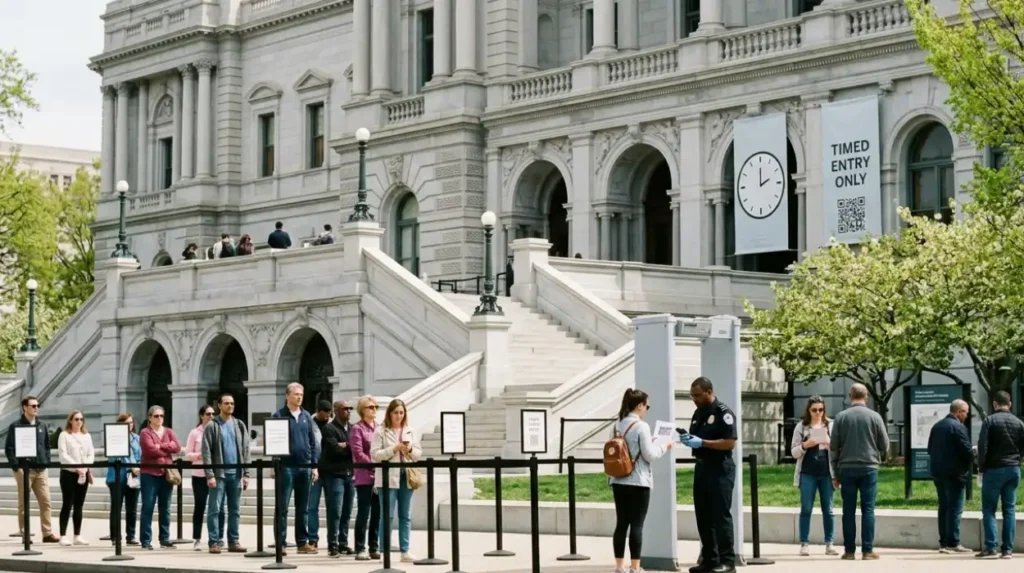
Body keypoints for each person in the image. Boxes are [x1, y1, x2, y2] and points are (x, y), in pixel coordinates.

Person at [609, 389, 672, 573]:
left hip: (618, 480)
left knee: (621, 523)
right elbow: (649, 455)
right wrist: (664, 446)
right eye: (647, 405)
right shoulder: (641, 426)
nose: (647, 409)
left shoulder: (617, 424)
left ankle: (619, 566)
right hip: (638, 481)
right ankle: (635, 567)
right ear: (639, 405)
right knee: (637, 525)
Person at [680, 377, 738, 573]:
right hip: (702, 467)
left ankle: (728, 562)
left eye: (697, 395)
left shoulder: (723, 412)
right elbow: (696, 435)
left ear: (709, 392)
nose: (694, 399)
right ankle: (710, 559)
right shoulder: (698, 412)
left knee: (720, 516)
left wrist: (703, 443)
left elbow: (730, 442)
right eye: (692, 396)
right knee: (703, 516)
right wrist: (688, 440)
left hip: (720, 468)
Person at [828, 383, 888, 561]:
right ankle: (868, 550)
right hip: (869, 467)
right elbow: (884, 445)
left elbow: (833, 446)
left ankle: (849, 551)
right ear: (866, 396)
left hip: (846, 467)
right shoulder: (875, 417)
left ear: (849, 396)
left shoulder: (841, 417)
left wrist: (835, 473)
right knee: (868, 509)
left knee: (848, 510)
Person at [271, 383, 319, 555]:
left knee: (303, 507)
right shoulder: (279, 416)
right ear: (287, 396)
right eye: (296, 394)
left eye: (301, 394)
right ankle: (280, 543)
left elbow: (312, 443)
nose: (299, 397)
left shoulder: (306, 416)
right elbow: (274, 441)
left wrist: (314, 465)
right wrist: (274, 462)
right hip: (286, 467)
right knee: (282, 506)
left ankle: (302, 542)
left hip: (305, 467)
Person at [371, 398, 421, 563]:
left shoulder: (410, 430)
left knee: (405, 515)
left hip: (406, 476)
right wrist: (394, 448)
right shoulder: (381, 431)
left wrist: (410, 449)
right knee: (387, 516)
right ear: (389, 414)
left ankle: (405, 550)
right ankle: (384, 551)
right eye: (396, 413)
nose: (399, 416)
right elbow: (375, 455)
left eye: (401, 412)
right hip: (387, 477)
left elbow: (418, 454)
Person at [976, 390, 1024, 559]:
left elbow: (983, 446)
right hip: (1013, 469)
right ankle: (1007, 550)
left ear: (994, 404)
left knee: (989, 509)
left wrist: (981, 467)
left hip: (994, 469)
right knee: (1009, 509)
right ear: (1009, 404)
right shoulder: (1019, 423)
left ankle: (991, 547)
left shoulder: (989, 421)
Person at [4, 396, 59, 543]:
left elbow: (47, 446)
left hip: (40, 469)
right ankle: (25, 534)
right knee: (24, 503)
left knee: (46, 501)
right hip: (24, 470)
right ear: (25, 408)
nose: (36, 408)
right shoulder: (16, 426)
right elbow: (9, 448)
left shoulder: (42, 426)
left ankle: (47, 533)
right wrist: (17, 467)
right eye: (33, 406)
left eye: (37, 405)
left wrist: (46, 461)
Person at [202, 393, 250, 554]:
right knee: (215, 509)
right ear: (219, 406)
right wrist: (210, 475)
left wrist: (246, 473)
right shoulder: (212, 425)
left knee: (235, 510)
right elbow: (206, 451)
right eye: (227, 403)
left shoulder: (239, 425)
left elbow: (246, 449)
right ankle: (214, 542)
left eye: (232, 403)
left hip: (236, 474)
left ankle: (233, 541)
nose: (230, 406)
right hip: (219, 474)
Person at [790, 396, 837, 556]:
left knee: (828, 509)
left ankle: (829, 543)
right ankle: (804, 543)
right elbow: (794, 452)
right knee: (806, 508)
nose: (818, 413)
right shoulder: (801, 427)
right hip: (807, 473)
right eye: (814, 410)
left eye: (821, 410)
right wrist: (804, 445)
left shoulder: (831, 425)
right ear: (808, 411)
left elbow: (838, 448)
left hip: (826, 473)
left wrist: (830, 442)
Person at [927, 399, 973, 554]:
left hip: (938, 473)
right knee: (955, 508)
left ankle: (943, 542)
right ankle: (953, 543)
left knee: (944, 507)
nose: (967, 416)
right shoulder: (958, 427)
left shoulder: (937, 426)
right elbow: (966, 451)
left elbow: (929, 449)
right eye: (966, 412)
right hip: (955, 474)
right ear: (959, 412)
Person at [139, 405, 182, 550]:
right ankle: (146, 540)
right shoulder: (145, 432)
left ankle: (164, 538)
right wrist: (166, 447)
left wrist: (159, 446)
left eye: (161, 416)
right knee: (148, 507)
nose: (159, 419)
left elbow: (177, 447)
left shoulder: (169, 431)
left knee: (166, 508)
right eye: (156, 416)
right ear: (150, 418)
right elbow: (149, 450)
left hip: (166, 474)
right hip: (149, 474)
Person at [184, 405, 222, 551]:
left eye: (213, 414)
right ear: (201, 416)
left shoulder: (218, 430)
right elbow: (187, 454)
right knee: (200, 507)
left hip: (216, 474)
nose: (211, 416)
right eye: (208, 414)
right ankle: (197, 538)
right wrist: (202, 455)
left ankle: (217, 538)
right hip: (200, 475)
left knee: (217, 508)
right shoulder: (195, 433)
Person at [322, 400, 356, 557]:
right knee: (335, 511)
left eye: (350, 408)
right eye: (345, 409)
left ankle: (343, 543)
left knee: (347, 511)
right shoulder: (329, 428)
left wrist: (346, 445)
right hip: (334, 475)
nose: (348, 411)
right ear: (336, 410)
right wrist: (347, 446)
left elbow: (356, 449)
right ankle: (332, 544)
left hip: (350, 475)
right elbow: (334, 450)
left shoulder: (352, 428)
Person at [57, 409, 95, 546]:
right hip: (69, 473)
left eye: (81, 419)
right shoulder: (64, 435)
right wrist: (76, 466)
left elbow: (91, 454)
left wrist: (85, 467)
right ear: (70, 421)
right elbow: (63, 455)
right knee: (67, 504)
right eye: (76, 419)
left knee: (79, 505)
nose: (79, 422)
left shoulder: (87, 436)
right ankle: (62, 535)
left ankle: (77, 535)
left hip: (83, 473)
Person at [350, 395, 381, 561]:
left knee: (377, 513)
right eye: (371, 407)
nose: (374, 409)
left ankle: (374, 546)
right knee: (364, 512)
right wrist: (374, 463)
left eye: (375, 407)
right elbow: (358, 452)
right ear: (362, 410)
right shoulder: (357, 429)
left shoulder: (379, 427)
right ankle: (360, 548)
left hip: (379, 476)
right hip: (364, 476)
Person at [106, 412, 142, 545]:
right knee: (116, 507)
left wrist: (137, 467)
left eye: (131, 423)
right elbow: (114, 456)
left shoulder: (136, 438)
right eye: (126, 423)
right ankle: (115, 537)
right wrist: (131, 465)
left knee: (132, 508)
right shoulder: (113, 437)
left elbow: (141, 455)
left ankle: (131, 536)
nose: (129, 425)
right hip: (117, 476)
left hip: (134, 476)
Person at [308, 401, 332, 549]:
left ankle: (332, 539)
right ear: (318, 411)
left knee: (332, 507)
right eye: (325, 411)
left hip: (330, 470)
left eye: (330, 411)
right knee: (312, 506)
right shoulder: (309, 423)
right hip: (314, 469)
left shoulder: (333, 424)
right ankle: (312, 537)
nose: (328, 414)